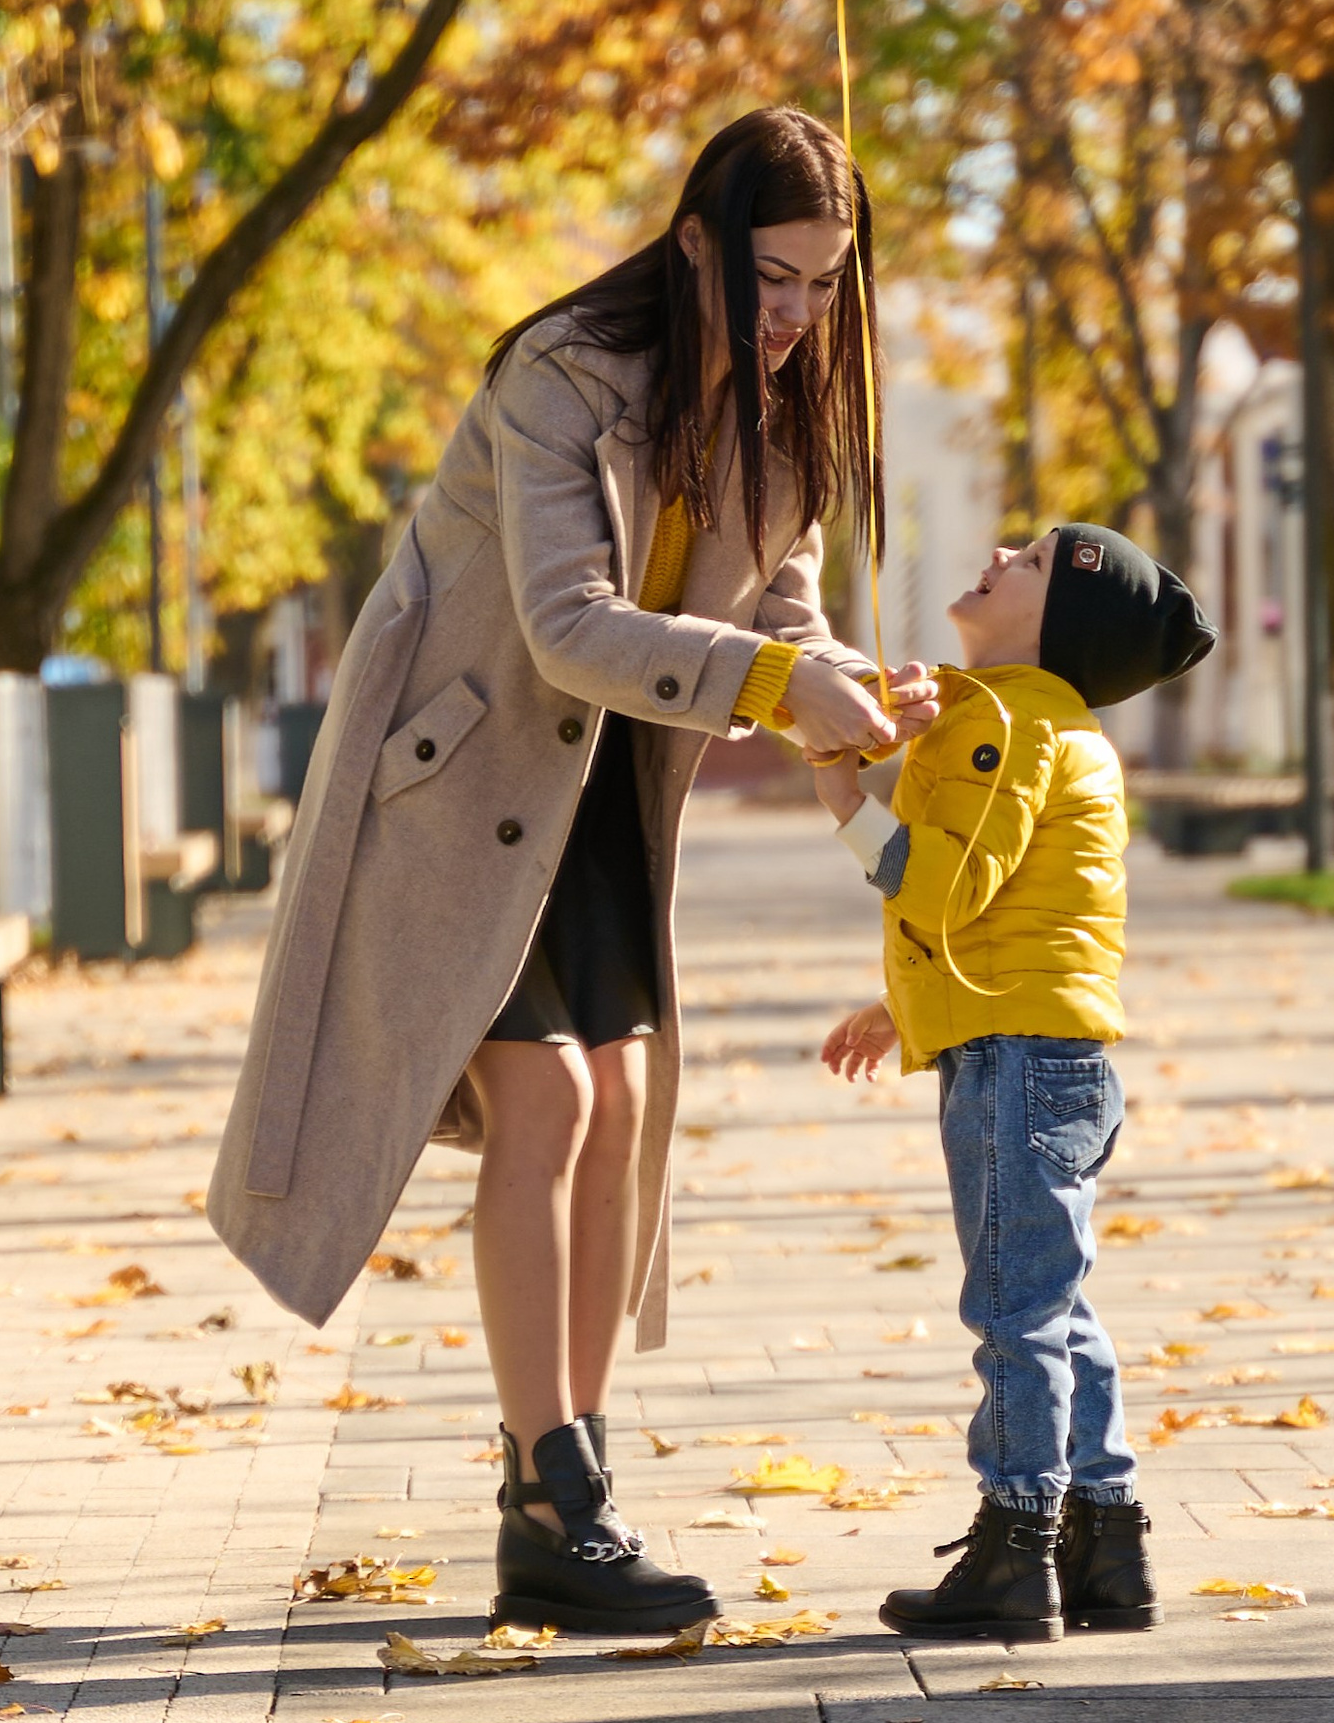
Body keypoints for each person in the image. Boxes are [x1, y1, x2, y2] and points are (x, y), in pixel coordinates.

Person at [207, 106, 936, 1636]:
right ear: (696, 247)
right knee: (549, 1093)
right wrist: (772, 682)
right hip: (461, 774)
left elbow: (785, 616)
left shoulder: (790, 414)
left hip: (607, 787)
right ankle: (552, 1492)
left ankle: (572, 1485)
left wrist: (857, 694)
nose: (802, 314)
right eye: (776, 278)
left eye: (824, 283)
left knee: (628, 1095)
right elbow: (566, 621)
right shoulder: (564, 375)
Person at [814, 521, 1215, 1643]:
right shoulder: (1023, 722)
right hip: (1050, 1053)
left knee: (1012, 1309)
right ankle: (1105, 1533)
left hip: (1017, 1067)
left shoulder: (1011, 720)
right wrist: (904, 1008)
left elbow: (935, 885)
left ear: (1055, 625)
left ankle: (1014, 1540)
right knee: (1056, 1302)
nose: (995, 550)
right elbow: (1017, 917)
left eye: (1032, 560)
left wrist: (840, 788)